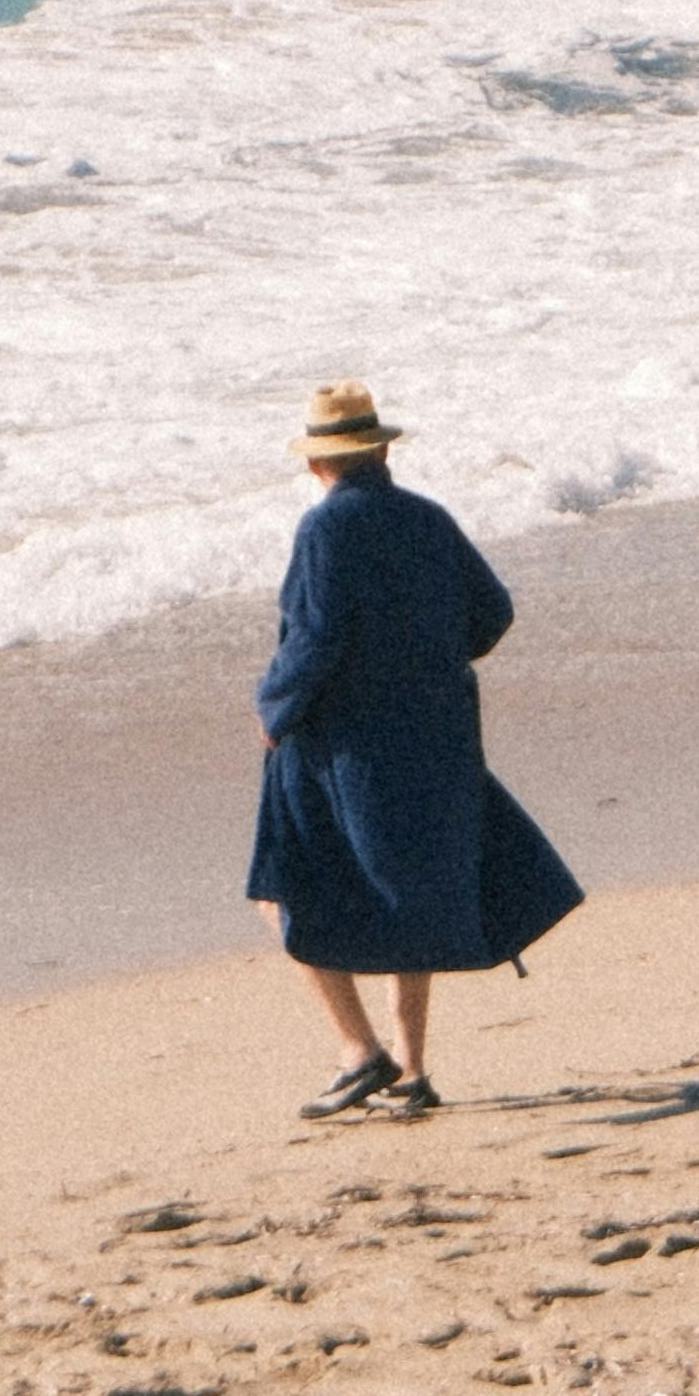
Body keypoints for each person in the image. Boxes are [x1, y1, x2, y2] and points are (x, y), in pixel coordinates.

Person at [248, 382, 583, 1117]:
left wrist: (273, 709)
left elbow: (316, 638)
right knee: (407, 892)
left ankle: (358, 1049)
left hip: (342, 743)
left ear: (316, 465)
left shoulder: (325, 530)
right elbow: (491, 613)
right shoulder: (428, 518)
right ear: (384, 450)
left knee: (281, 888)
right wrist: (425, 659)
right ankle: (412, 1067)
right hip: (436, 736)